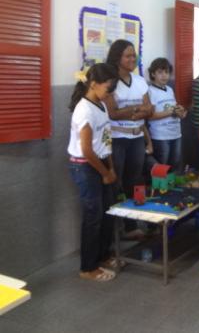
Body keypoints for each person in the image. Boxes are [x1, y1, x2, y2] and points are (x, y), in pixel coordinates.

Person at [68, 63, 119, 282]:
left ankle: (103, 255)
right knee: (93, 217)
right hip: (85, 166)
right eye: (109, 88)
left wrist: (111, 167)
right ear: (94, 84)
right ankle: (88, 267)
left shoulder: (101, 104)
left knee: (107, 212)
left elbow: (105, 140)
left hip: (101, 164)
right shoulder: (84, 109)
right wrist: (104, 173)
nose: (111, 93)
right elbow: (87, 150)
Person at [105, 40, 153, 237]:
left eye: (134, 55)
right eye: (128, 56)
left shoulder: (140, 81)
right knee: (116, 183)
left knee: (135, 180)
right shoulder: (110, 82)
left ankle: (132, 225)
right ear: (118, 58)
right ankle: (115, 230)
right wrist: (136, 110)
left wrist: (134, 112)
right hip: (117, 139)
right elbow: (113, 114)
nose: (132, 59)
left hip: (137, 138)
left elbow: (150, 109)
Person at [147, 58, 187, 172]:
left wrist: (180, 112)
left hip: (175, 133)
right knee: (161, 167)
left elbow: (172, 109)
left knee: (174, 165)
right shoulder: (150, 91)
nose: (164, 75)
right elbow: (150, 116)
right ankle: (160, 189)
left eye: (167, 72)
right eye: (160, 72)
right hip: (160, 136)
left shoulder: (169, 89)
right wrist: (171, 112)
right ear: (153, 73)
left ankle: (171, 189)